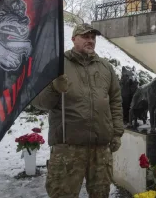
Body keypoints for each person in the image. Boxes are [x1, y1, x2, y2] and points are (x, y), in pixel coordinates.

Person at [32, 23, 124, 198]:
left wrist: (117, 133)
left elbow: (115, 102)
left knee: (101, 194)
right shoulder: (57, 65)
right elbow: (40, 103)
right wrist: (54, 88)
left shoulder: (106, 67)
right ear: (74, 39)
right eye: (85, 37)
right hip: (68, 148)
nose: (90, 40)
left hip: (100, 148)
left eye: (93, 37)